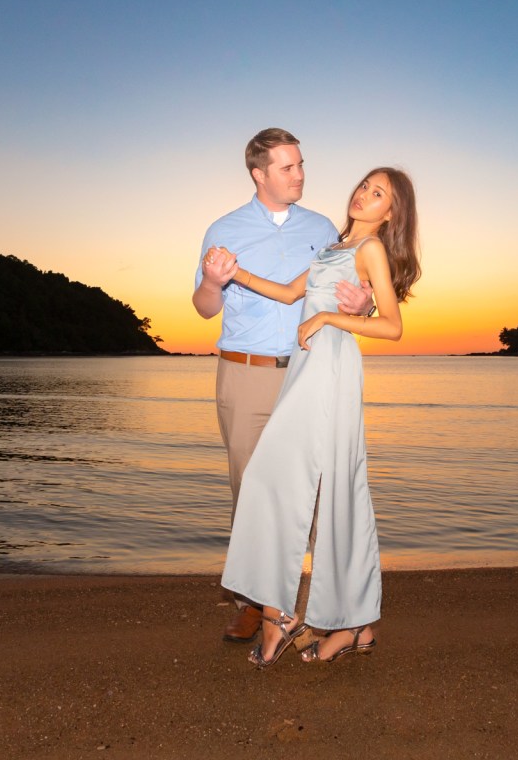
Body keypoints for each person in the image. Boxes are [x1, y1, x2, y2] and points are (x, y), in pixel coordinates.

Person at [211, 166, 420, 667]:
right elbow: (287, 293)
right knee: (287, 481)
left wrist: (329, 316)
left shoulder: (371, 250)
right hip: (308, 368)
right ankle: (341, 623)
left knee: (325, 488)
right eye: (365, 186)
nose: (364, 195)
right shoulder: (335, 245)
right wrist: (230, 271)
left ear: (391, 213)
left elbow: (392, 327)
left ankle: (325, 621)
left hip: (329, 369)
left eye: (378, 195)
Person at [193, 128, 372, 644]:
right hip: (243, 374)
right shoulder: (223, 229)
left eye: (301, 165)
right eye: (288, 167)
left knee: (313, 492)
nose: (300, 175)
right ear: (259, 174)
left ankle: (325, 605)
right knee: (250, 492)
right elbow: (206, 306)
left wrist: (365, 307)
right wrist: (211, 281)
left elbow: (352, 295)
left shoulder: (322, 229)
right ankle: (256, 605)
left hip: (308, 372)